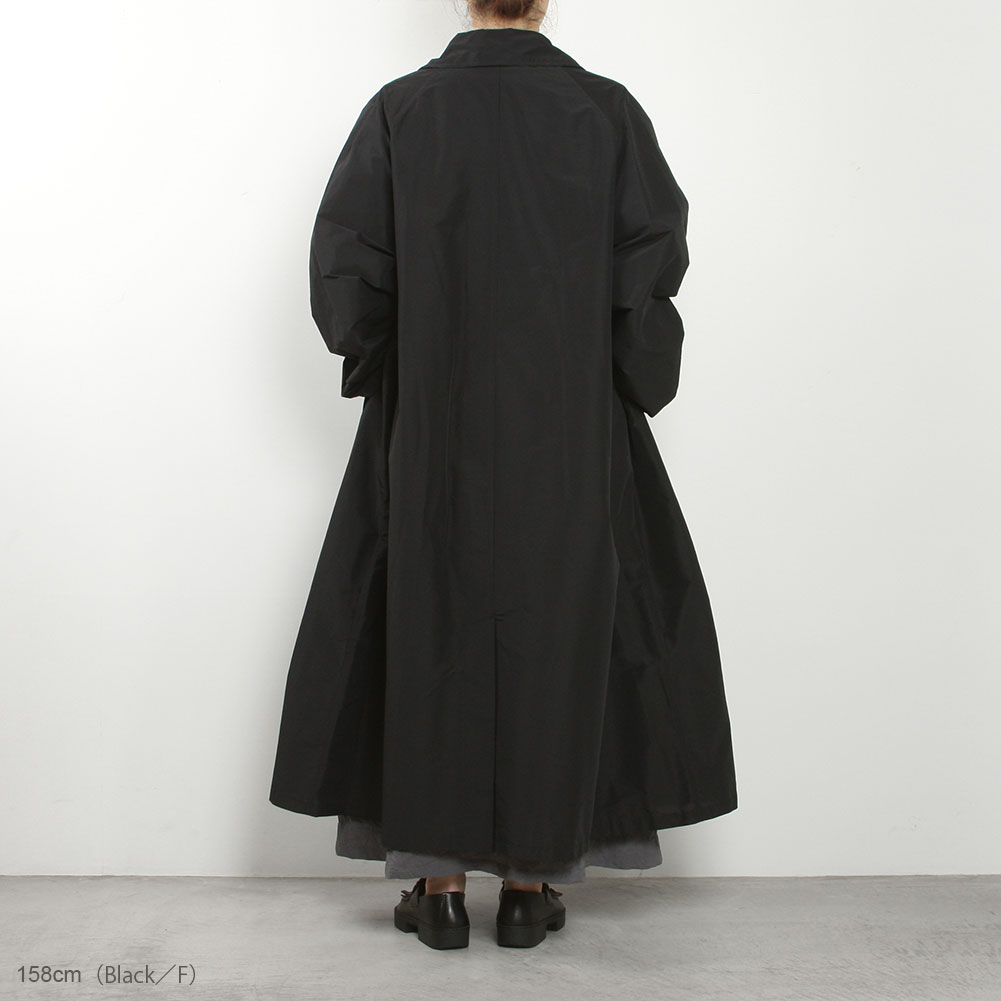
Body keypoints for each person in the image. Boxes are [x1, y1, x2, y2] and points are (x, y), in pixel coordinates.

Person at [269, 0, 738, 950]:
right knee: (559, 627)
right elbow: (647, 272)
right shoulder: (605, 112)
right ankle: (529, 885)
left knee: (426, 622)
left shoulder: (401, 111)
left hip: (429, 422)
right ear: (544, 1)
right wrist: (627, 377)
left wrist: (395, 368)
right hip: (569, 426)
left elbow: (347, 275)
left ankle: (439, 887)